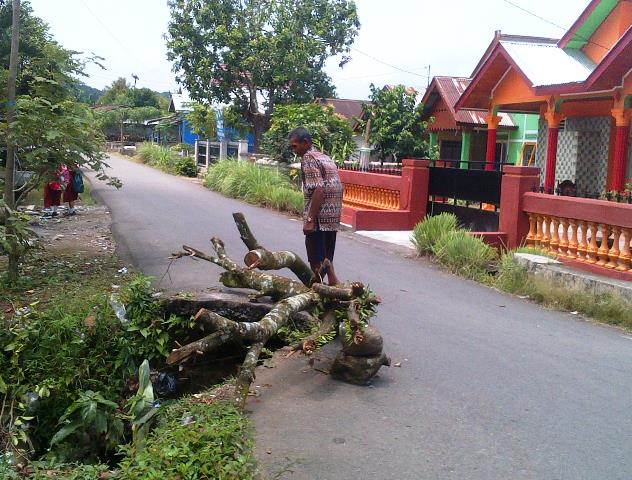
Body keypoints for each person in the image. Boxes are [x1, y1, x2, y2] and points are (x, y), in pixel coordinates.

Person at [289, 126, 343, 286]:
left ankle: (321, 290)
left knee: (315, 257)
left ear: (305, 142)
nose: (294, 150)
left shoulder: (308, 158)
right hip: (333, 215)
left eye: (294, 146)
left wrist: (310, 219)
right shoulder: (323, 156)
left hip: (319, 215)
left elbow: (318, 189)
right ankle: (332, 286)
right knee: (327, 257)